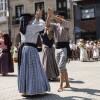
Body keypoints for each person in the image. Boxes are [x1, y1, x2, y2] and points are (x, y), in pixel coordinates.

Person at [18, 10, 50, 97]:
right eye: (31, 19)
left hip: (24, 49)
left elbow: (34, 25)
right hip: (31, 49)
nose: (32, 21)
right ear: (28, 20)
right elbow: (42, 26)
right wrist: (39, 18)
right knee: (34, 69)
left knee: (25, 69)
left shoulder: (22, 29)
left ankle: (26, 90)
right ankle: (34, 89)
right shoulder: (32, 27)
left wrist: (36, 18)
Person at [46, 9, 71, 92]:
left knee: (61, 67)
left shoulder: (67, 23)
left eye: (59, 16)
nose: (58, 17)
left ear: (63, 17)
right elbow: (47, 25)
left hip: (64, 47)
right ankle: (67, 83)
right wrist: (49, 16)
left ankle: (61, 86)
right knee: (62, 67)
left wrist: (53, 16)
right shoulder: (55, 25)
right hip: (57, 48)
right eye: (57, 16)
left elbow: (62, 21)